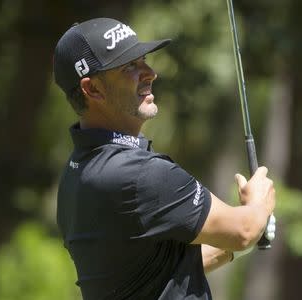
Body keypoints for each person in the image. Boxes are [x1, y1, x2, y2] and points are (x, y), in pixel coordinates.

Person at [53, 17, 276, 300]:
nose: (150, 73)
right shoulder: (141, 175)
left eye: (143, 59)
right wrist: (259, 204)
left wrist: (250, 229)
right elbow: (243, 230)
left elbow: (161, 272)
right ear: (92, 89)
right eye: (129, 66)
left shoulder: (76, 173)